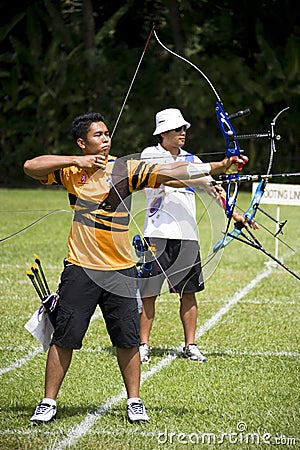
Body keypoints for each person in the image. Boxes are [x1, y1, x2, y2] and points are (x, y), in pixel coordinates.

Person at [23, 112, 248, 425]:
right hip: (80, 266)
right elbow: (30, 167)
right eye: (97, 135)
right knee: (65, 337)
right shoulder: (71, 170)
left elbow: (172, 172)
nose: (105, 139)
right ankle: (48, 402)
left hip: (120, 268)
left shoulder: (124, 167)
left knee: (128, 340)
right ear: (82, 142)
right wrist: (77, 161)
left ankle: (134, 400)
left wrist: (219, 166)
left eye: (106, 134)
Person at [139, 108, 254, 364]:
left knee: (188, 293)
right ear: (164, 132)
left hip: (187, 235)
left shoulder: (192, 159)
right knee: (148, 292)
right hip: (156, 233)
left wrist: (235, 213)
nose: (183, 133)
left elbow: (213, 188)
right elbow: (171, 177)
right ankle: (142, 345)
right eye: (178, 129)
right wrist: (212, 169)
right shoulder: (150, 154)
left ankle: (190, 345)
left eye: (184, 129)